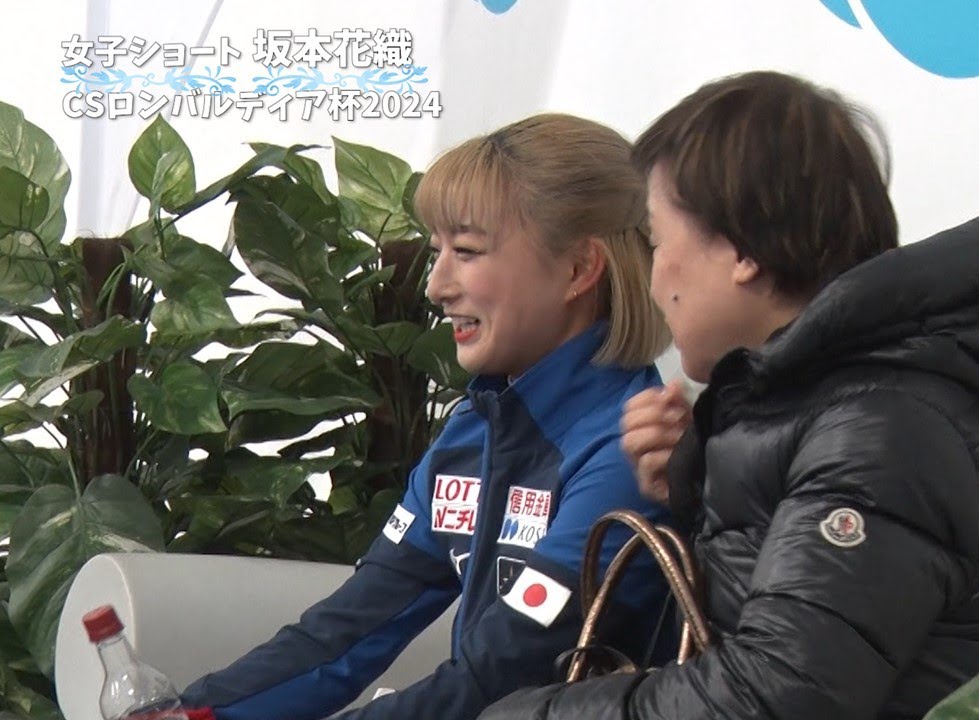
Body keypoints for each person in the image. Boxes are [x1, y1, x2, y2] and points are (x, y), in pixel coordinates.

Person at [479, 71, 979, 720]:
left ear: (742, 251)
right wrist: (690, 490)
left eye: (658, 242)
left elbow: (776, 696)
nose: (654, 280)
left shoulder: (883, 428)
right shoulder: (844, 403)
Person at [180, 113, 675, 720]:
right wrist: (192, 711)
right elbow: (349, 632)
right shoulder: (475, 428)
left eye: (466, 252)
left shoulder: (630, 449)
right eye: (437, 252)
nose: (436, 286)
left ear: (577, 269)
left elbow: (498, 677)